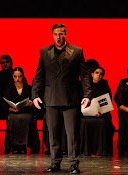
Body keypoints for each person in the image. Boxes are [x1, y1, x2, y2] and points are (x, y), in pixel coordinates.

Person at [32, 24, 92, 174]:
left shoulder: (76, 52)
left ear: (66, 34)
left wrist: (87, 95)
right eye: (56, 34)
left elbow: (84, 76)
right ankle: (55, 162)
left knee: (72, 134)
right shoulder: (45, 52)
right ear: (52, 35)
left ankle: (73, 163)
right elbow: (39, 75)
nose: (58, 37)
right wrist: (35, 95)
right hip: (51, 98)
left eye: (61, 34)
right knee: (53, 133)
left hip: (70, 98)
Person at [80, 67, 115, 156]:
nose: (99, 75)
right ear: (92, 74)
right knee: (83, 122)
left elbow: (108, 102)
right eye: (97, 73)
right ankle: (85, 150)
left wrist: (101, 112)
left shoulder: (105, 87)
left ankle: (100, 150)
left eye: (101, 74)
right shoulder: (86, 86)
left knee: (103, 123)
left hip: (101, 114)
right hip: (86, 113)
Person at [3, 67, 38, 154]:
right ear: (12, 77)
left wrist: (30, 103)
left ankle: (24, 145)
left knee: (28, 118)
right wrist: (11, 108)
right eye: (15, 76)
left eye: (20, 76)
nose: (17, 79)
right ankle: (14, 145)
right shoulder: (9, 88)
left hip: (26, 111)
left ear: (23, 76)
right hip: (13, 112)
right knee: (12, 118)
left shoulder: (28, 88)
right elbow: (4, 103)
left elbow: (32, 101)